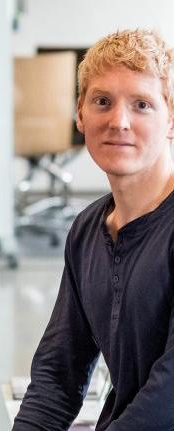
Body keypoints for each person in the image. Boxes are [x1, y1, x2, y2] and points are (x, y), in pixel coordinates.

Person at [13, 29, 174, 430]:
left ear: (171, 119)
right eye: (102, 101)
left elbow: (168, 397)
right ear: (80, 115)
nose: (119, 122)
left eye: (141, 105)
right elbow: (57, 375)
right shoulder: (87, 230)